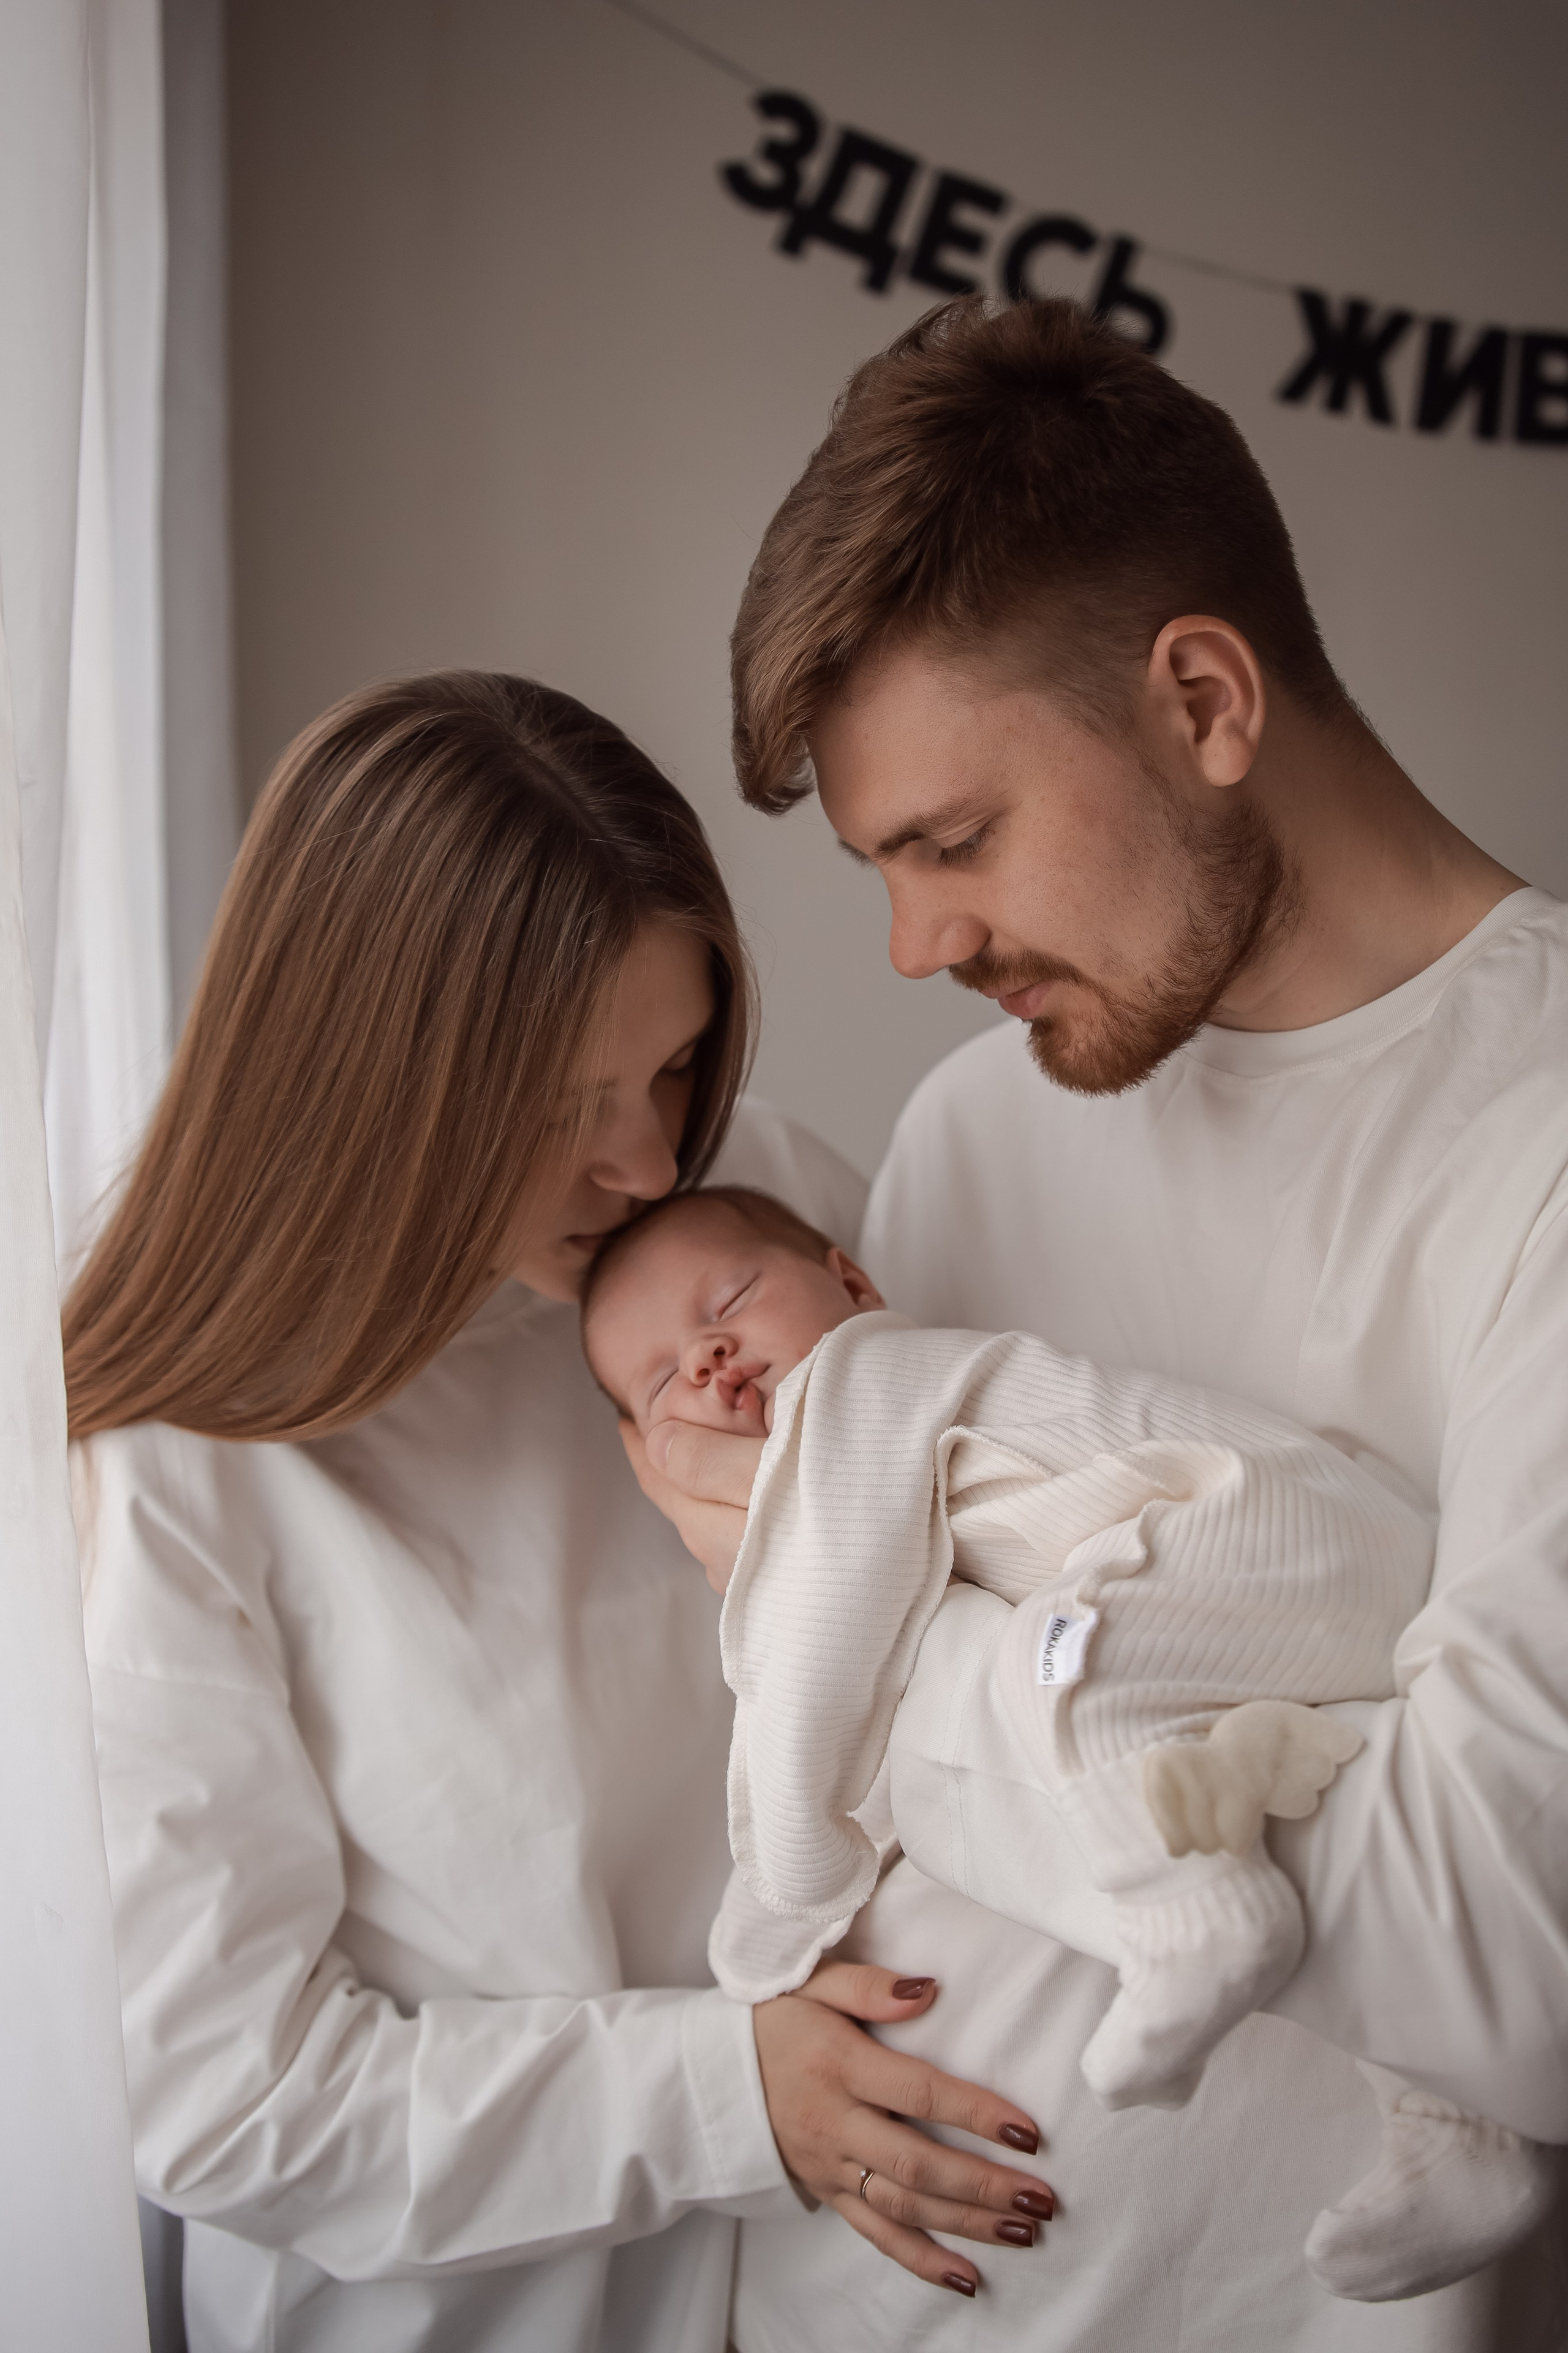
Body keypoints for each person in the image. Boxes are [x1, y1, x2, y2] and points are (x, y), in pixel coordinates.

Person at [627, 300, 1568, 2347]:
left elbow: (1516, 1945)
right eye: (880, 868)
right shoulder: (979, 1129)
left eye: (954, 842)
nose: (918, 944)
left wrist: (862, 1621)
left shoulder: (1543, 1133)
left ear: (1206, 701)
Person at [65, 670, 1056, 2353]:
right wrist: (733, 2092)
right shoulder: (173, 1461)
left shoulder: (752, 1219)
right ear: (356, 1088)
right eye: (554, 1108)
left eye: (672, 1064)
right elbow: (228, 2096)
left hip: (841, 2294)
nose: (649, 1165)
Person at [582, 1180, 1551, 2304]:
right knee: (1277, 1790)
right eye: (663, 1381)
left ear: (851, 1284)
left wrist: (771, 1923)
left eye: (730, 1300)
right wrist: (791, 1945)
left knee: (1052, 1673)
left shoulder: (859, 1386)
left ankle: (1204, 1906)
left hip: (1247, 1526)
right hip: (1266, 1600)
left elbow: (816, 1662)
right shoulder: (865, 1490)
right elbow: (880, 1712)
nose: (707, 1357)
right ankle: (1454, 2112)